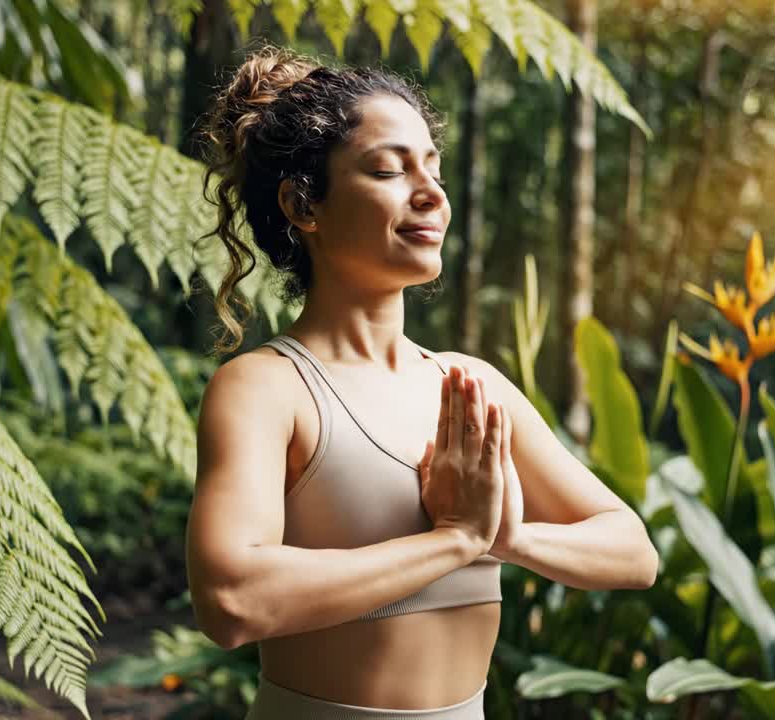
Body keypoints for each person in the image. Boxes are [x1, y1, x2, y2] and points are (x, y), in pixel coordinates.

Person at [185, 42, 659, 720]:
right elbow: (232, 602)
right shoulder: (267, 389)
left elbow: (631, 550)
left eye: (432, 168)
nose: (430, 193)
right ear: (302, 205)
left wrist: (504, 538)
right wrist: (452, 541)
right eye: (386, 169)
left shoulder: (470, 385)